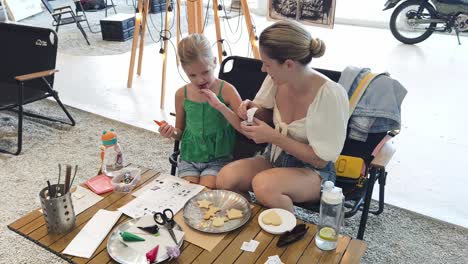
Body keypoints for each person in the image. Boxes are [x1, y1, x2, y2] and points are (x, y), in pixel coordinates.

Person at [216, 21, 349, 212]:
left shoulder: (330, 95)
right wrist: (252, 109)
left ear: (288, 64)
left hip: (313, 171)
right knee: (226, 178)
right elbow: (267, 114)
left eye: (267, 64)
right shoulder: (276, 79)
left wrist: (273, 137)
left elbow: (320, 160)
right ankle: (250, 226)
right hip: (275, 157)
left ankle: (290, 231)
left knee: (264, 186)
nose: (263, 69)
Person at [158, 34, 242, 189]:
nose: (200, 80)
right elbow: (180, 133)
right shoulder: (181, 94)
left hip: (218, 159)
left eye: (205, 72)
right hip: (189, 158)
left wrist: (219, 105)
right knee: (186, 193)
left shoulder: (227, 91)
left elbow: (243, 127)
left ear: (215, 62)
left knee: (204, 194)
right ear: (183, 70)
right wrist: (170, 132)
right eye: (192, 75)